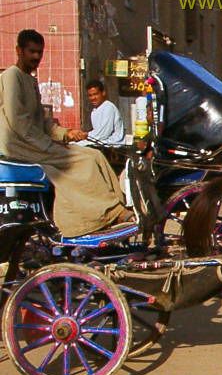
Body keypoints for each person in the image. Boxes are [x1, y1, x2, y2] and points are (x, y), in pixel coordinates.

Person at [0, 30, 131, 238]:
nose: (36, 57)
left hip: (35, 142)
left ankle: (114, 208)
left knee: (94, 155)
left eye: (39, 52)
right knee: (81, 161)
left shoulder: (30, 80)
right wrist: (48, 145)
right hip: (20, 146)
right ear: (19, 51)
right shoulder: (11, 77)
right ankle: (97, 216)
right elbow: (19, 123)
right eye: (31, 52)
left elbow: (43, 122)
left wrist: (67, 134)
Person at [75, 79, 124, 146]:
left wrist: (86, 135)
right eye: (90, 95)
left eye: (95, 94)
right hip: (100, 142)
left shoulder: (108, 107)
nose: (93, 98)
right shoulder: (94, 111)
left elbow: (103, 134)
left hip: (112, 144)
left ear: (103, 93)